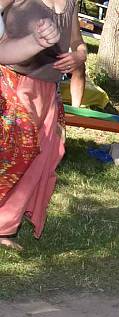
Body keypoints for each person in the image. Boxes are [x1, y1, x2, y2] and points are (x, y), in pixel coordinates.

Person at [0, 0, 86, 251]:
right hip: (13, 83)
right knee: (13, 153)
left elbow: (78, 43)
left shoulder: (70, 2)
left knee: (41, 158)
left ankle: (5, 225)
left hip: (48, 90)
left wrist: (78, 56)